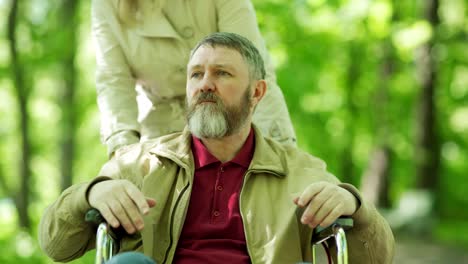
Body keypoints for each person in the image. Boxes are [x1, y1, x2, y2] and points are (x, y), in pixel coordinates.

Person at [39, 32, 394, 263]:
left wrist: (355, 206)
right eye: (196, 74)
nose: (204, 85)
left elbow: (379, 257)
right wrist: (90, 194)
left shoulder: (299, 171)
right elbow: (55, 246)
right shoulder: (138, 164)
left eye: (222, 74)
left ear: (256, 93)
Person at [92, 0, 297, 157]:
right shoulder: (107, 5)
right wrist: (123, 150)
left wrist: (279, 147)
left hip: (229, 123)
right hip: (161, 133)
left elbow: (254, 71)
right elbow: (113, 80)